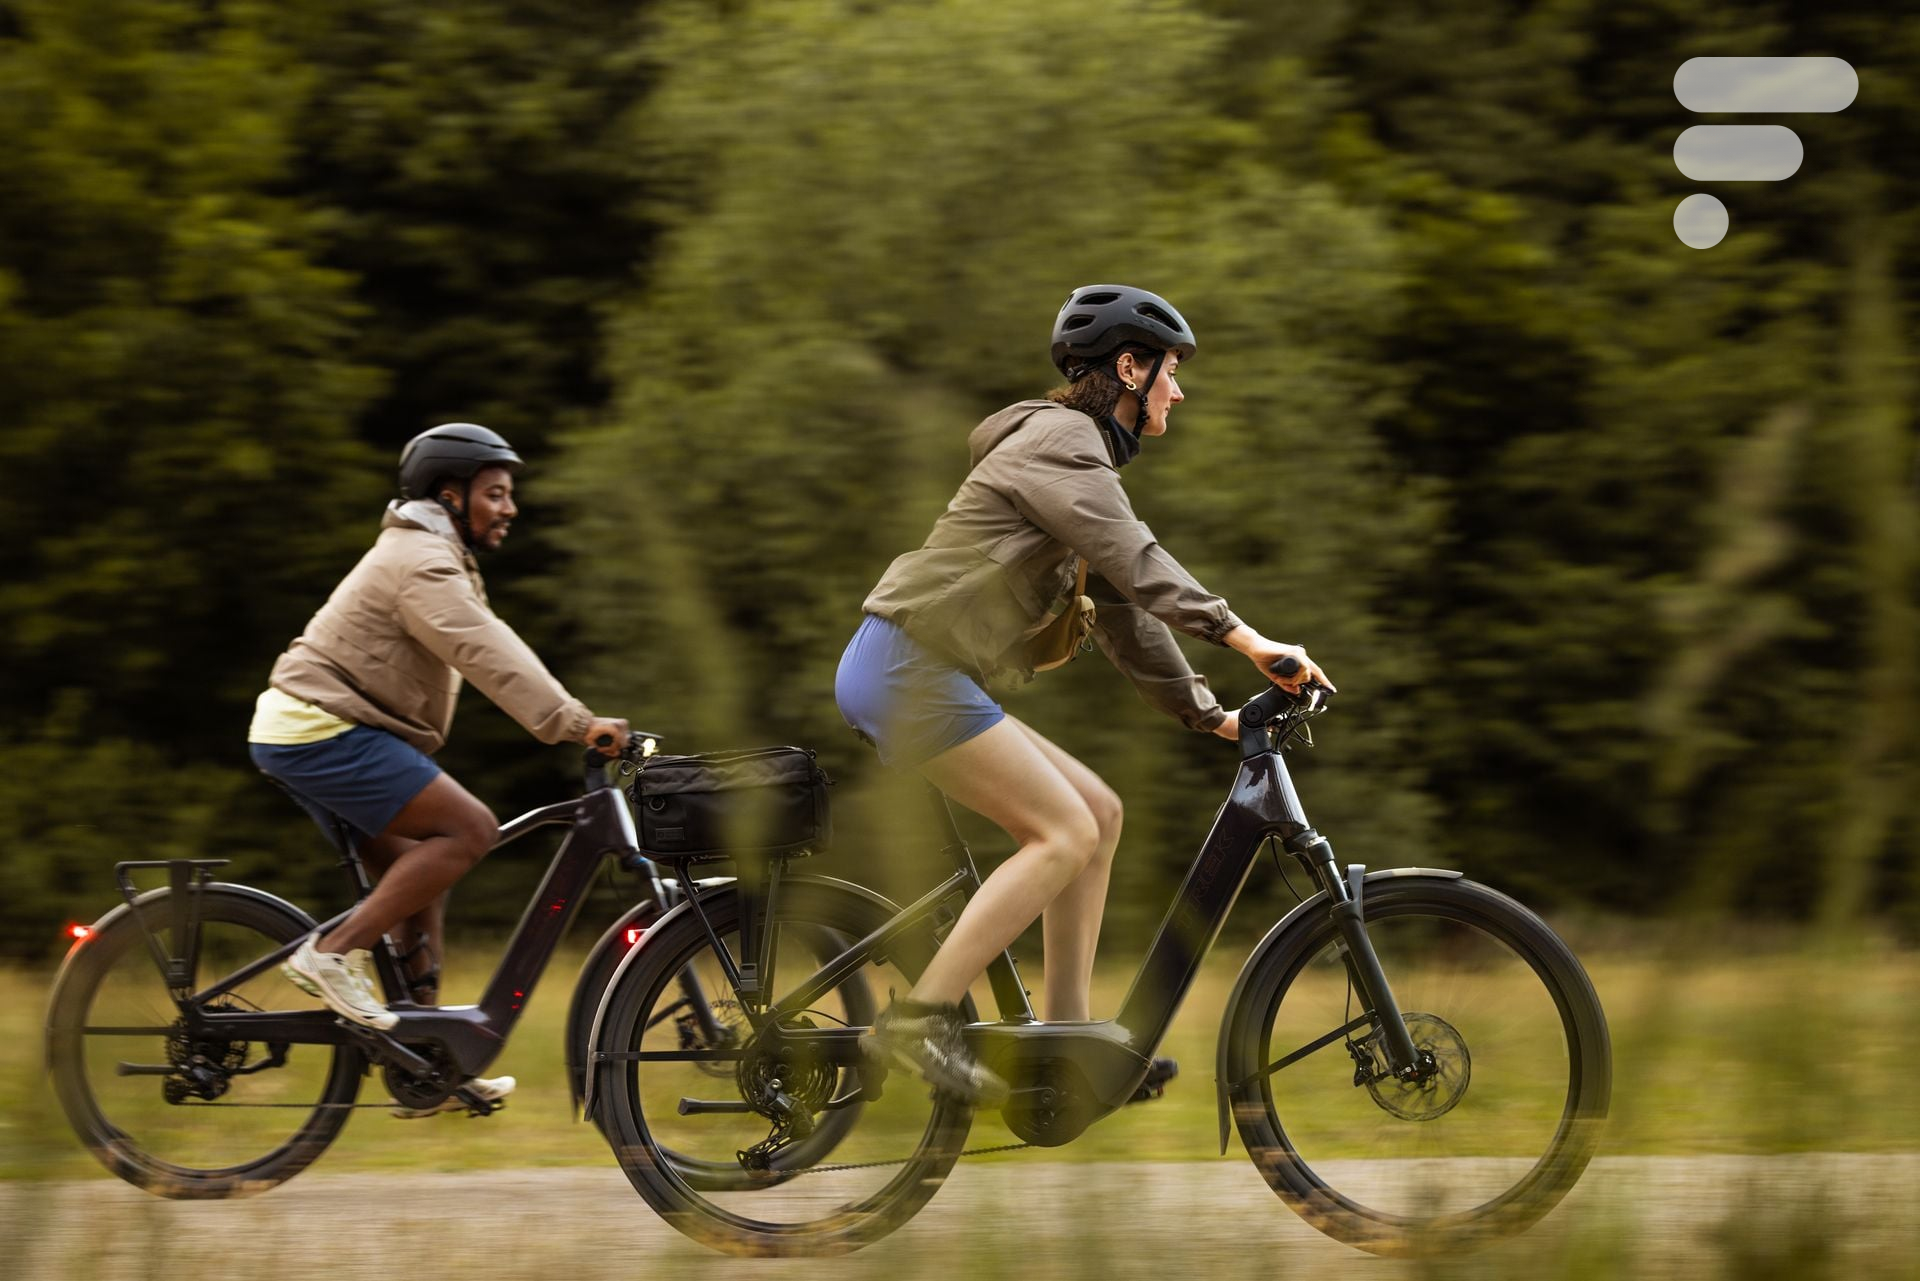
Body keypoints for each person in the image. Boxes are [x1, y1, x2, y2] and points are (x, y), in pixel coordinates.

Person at [837, 285, 1333, 1104]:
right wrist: (1247, 637)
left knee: (1097, 814)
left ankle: (1065, 1045)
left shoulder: (1071, 460)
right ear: (1129, 366)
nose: (1179, 388)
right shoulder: (1062, 444)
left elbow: (1126, 610)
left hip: (921, 668)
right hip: (904, 668)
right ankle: (919, 1020)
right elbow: (1137, 557)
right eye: (1171, 370)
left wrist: (1206, 711)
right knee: (1059, 832)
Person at [249, 423, 628, 1114]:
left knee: (425, 870)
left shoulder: (431, 552)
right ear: (450, 495)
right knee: (470, 831)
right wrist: (578, 723)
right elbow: (487, 650)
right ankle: (331, 953)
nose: (509, 508)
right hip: (321, 728)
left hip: (316, 726)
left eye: (509, 494)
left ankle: (429, 1056)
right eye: (496, 493)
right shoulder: (421, 561)